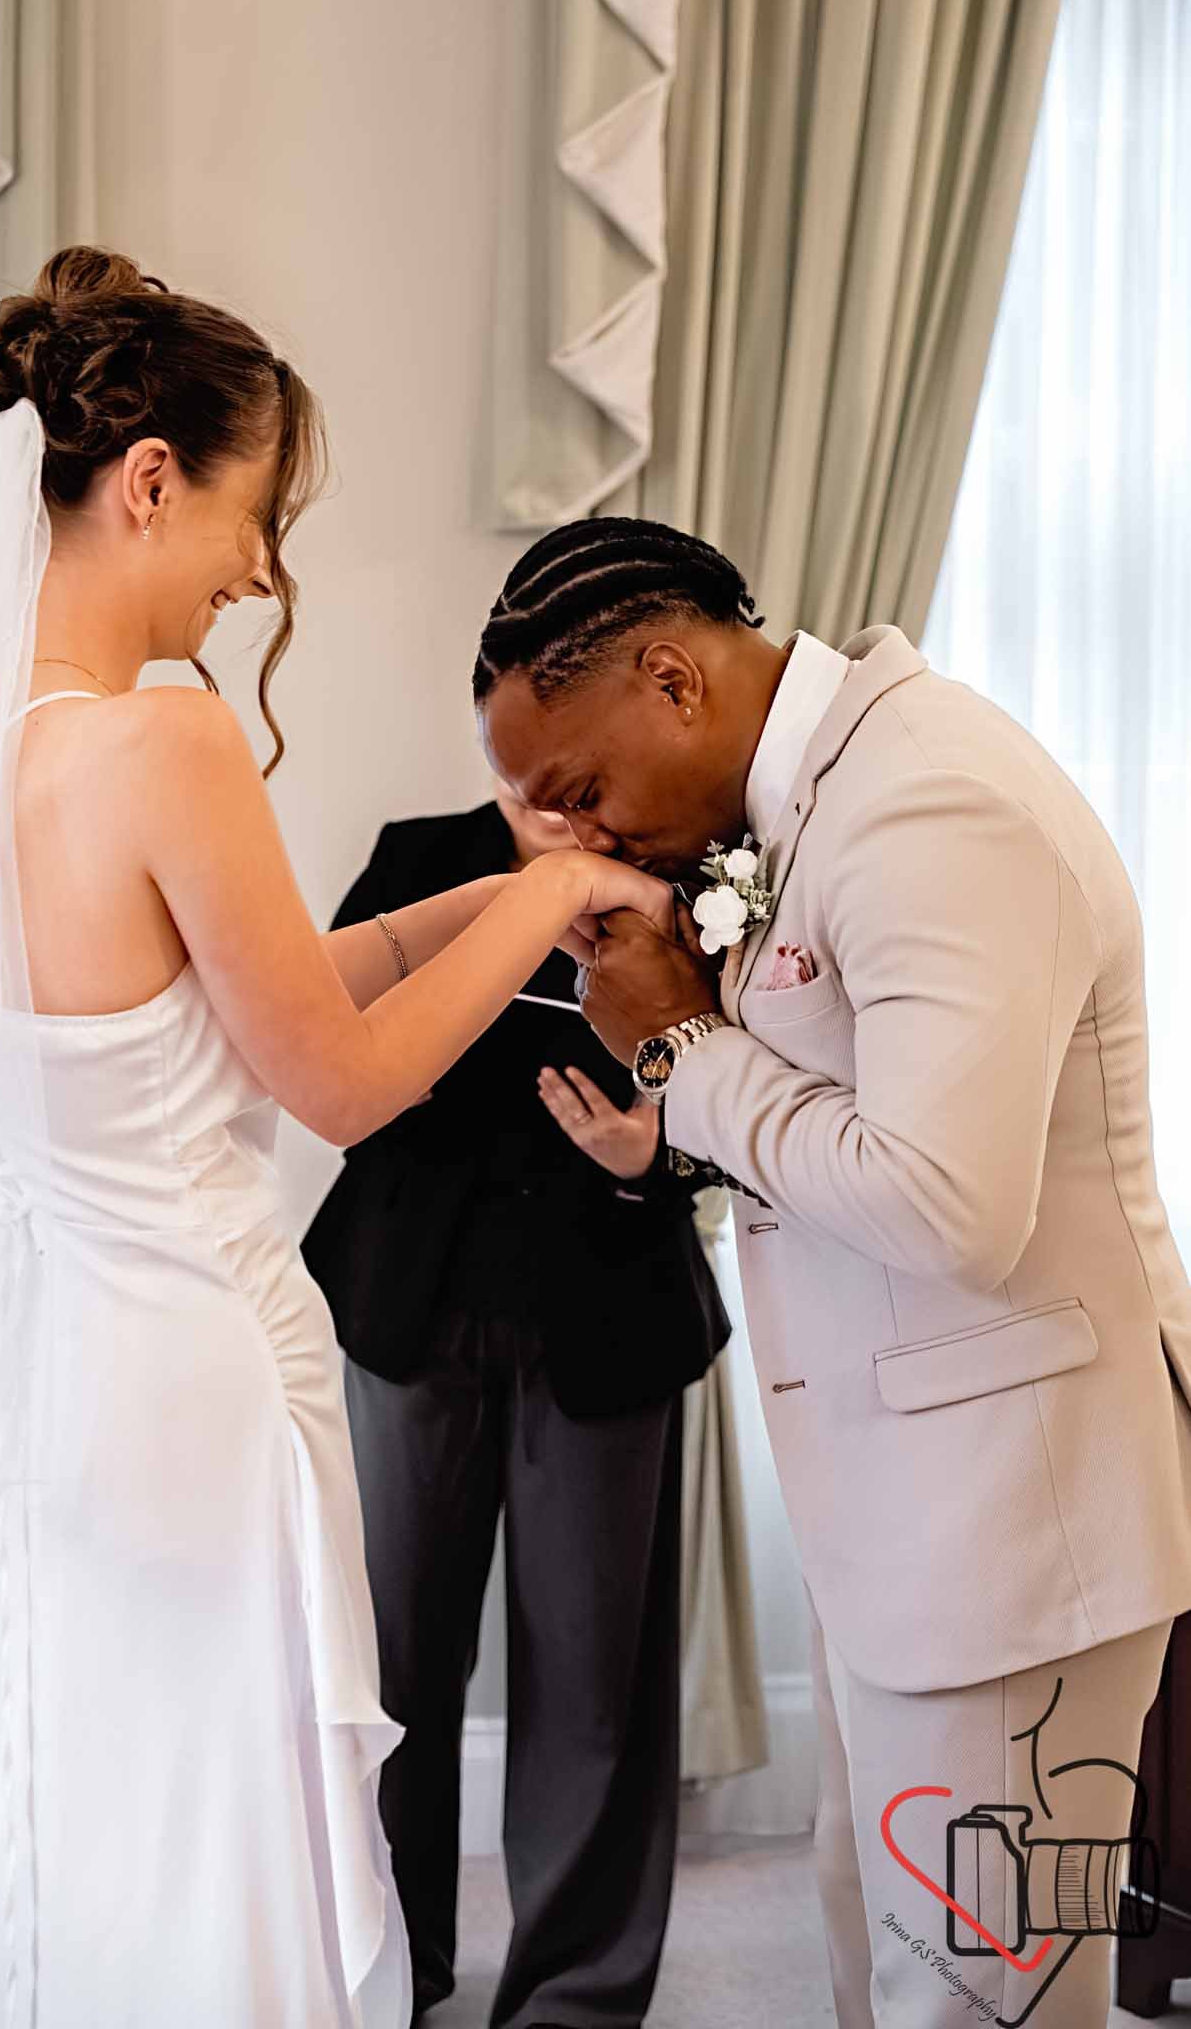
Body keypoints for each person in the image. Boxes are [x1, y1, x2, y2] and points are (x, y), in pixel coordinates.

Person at [0, 253, 674, 2029]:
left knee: (84, 1822)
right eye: (254, 514)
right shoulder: (164, 737)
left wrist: (483, 894)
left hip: (51, 1378)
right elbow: (339, 1084)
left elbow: (250, 1000)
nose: (260, 569)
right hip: (186, 1390)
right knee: (204, 1845)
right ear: (149, 479)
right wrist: (558, 900)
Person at [474, 515, 1191, 2029]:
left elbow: (946, 1203)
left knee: (978, 1997)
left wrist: (684, 1046)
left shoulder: (930, 800)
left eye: (580, 791)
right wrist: (677, 1096)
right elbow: (843, 1122)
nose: (580, 838)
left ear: (674, 678)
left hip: (1012, 1529)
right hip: (909, 1521)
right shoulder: (819, 797)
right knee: (886, 1963)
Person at [304, 781, 728, 2029]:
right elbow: (325, 1048)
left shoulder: (685, 876)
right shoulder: (419, 859)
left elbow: (753, 1084)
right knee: (391, 1667)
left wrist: (656, 1153)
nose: (546, 789)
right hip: (409, 1308)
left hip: (612, 1317)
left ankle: (575, 1997)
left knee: (595, 1678)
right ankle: (394, 1963)